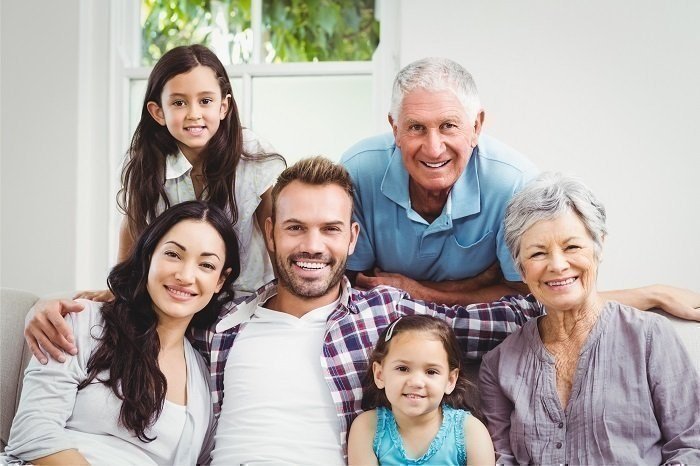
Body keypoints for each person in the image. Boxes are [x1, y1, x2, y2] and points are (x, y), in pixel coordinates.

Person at [24, 158, 700, 464]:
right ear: (269, 234)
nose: (311, 245)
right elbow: (165, 294)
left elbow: (533, 309)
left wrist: (642, 296)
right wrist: (67, 302)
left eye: (328, 230)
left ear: (352, 238)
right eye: (295, 229)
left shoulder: (388, 314)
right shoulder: (220, 315)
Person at [478, 173, 700, 465]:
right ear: (521, 268)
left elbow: (690, 445)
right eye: (538, 253)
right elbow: (502, 459)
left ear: (599, 246)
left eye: (572, 247)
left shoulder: (650, 337)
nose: (558, 265)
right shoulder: (498, 364)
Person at [4, 201, 240, 465]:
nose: (185, 275)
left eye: (206, 265)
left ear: (220, 280)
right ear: (149, 255)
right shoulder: (83, 321)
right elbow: (33, 433)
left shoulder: (203, 380)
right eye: (173, 254)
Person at [76, 44, 284, 302]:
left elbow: (274, 229)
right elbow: (132, 225)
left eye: (205, 101)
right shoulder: (146, 161)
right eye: (179, 103)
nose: (194, 114)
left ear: (223, 106)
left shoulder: (252, 153)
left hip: (246, 297)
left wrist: (284, 296)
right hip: (179, 299)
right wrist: (119, 292)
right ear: (158, 112)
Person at [341, 57, 537, 305]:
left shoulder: (516, 184)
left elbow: (525, 295)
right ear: (395, 128)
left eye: (448, 125)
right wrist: (475, 284)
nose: (433, 149)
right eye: (416, 127)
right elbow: (355, 285)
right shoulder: (358, 172)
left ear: (476, 126)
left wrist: (415, 291)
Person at [348, 315, 495, 465]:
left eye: (431, 372)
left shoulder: (471, 431)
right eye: (403, 368)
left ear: (450, 380)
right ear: (379, 375)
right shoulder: (367, 427)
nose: (416, 382)